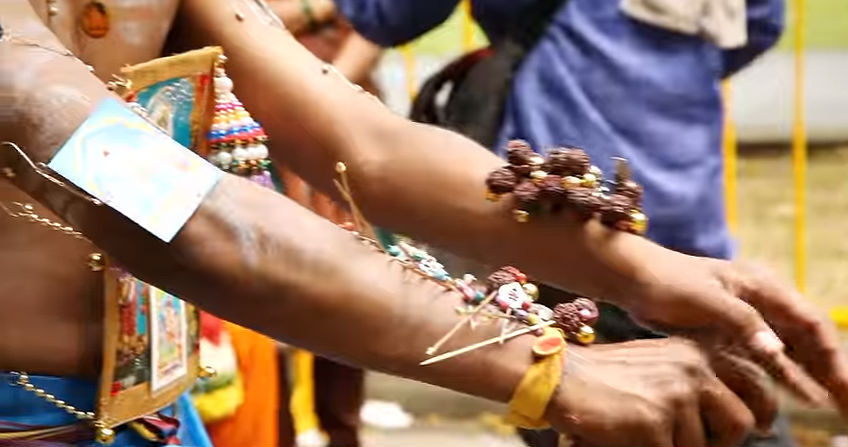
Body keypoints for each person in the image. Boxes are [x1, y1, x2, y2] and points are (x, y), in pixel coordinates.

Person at [2, 1, 847, 447]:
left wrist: (649, 267)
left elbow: (364, 142)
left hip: (154, 420)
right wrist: (550, 373)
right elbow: (181, 213)